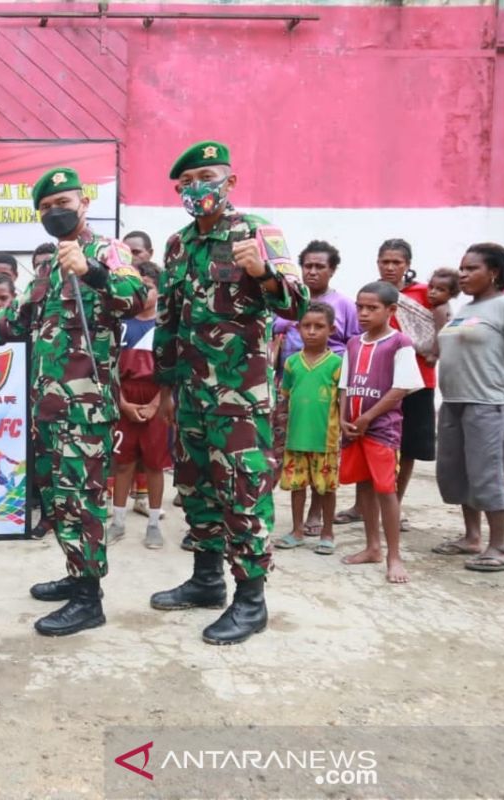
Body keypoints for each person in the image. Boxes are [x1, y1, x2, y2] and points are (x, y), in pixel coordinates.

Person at [0, 166, 146, 636]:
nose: (56, 212)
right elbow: (14, 319)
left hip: (86, 407)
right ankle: (77, 575)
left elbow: (135, 297)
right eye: (47, 208)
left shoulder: (108, 250)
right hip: (48, 408)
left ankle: (90, 599)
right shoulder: (49, 265)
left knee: (82, 500)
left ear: (84, 202)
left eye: (63, 203)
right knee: (58, 500)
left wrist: (91, 271)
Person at [150, 141, 308, 646]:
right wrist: (167, 384)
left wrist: (262, 273)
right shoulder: (177, 244)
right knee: (196, 487)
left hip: (239, 397)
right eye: (187, 181)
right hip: (192, 396)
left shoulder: (258, 231)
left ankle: (251, 601)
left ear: (230, 181)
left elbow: (297, 305)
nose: (198, 187)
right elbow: (168, 320)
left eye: (207, 176)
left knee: (243, 491)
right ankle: (206, 580)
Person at [432, 244, 504, 572]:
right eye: (462, 268)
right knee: (457, 474)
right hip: (454, 403)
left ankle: (498, 548)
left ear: (494, 273)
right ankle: (471, 537)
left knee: (487, 475)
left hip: (487, 403)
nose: (463, 274)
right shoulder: (464, 309)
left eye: (471, 269)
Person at [336, 239, 436, 529]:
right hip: (372, 384)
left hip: (415, 381)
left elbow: (438, 331)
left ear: (408, 265)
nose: (391, 267)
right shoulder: (370, 295)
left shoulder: (424, 295)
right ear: (377, 262)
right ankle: (360, 506)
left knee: (407, 446)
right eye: (385, 261)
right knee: (363, 442)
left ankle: (395, 504)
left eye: (397, 262)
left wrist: (433, 353)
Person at [270, 240, 359, 537]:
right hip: (293, 382)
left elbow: (355, 344)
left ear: (332, 270)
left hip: (328, 387)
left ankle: (316, 514)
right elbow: (272, 330)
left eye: (320, 266)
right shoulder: (291, 301)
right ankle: (286, 517)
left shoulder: (344, 305)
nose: (312, 271)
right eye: (308, 265)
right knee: (287, 450)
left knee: (322, 457)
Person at [338, 281, 423, 584]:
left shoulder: (400, 344)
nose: (363, 313)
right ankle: (372, 547)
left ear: (391, 310)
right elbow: (344, 386)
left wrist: (368, 417)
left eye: (372, 308)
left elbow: (401, 388)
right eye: (360, 307)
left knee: (386, 489)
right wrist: (344, 418)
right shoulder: (353, 343)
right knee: (363, 486)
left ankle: (394, 556)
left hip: (382, 430)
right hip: (354, 430)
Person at [107, 261, 168, 549]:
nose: (144, 293)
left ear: (160, 291)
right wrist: (121, 403)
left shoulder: (165, 328)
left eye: (150, 288)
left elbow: (171, 372)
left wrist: (158, 403)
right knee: (122, 464)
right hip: (125, 398)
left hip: (156, 400)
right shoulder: (120, 326)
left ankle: (153, 524)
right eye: (139, 287)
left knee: (155, 465)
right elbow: (109, 370)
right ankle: (117, 522)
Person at [273, 303, 343, 554]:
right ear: (298, 328)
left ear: (331, 329)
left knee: (326, 487)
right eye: (306, 326)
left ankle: (327, 532)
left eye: (319, 326)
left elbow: (341, 401)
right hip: (295, 437)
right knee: (296, 486)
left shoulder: (337, 364)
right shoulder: (292, 363)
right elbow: (285, 397)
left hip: (326, 439)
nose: (312, 331)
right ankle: (297, 530)